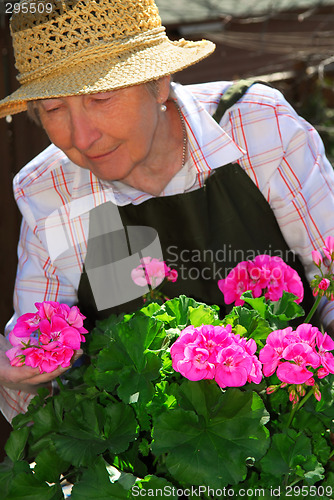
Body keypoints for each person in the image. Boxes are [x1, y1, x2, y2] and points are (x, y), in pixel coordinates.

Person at [0, 0, 334, 423]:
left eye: (100, 97)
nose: (82, 137)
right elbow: (34, 354)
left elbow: (332, 277)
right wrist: (18, 375)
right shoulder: (48, 190)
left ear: (158, 84)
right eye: (53, 109)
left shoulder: (256, 127)